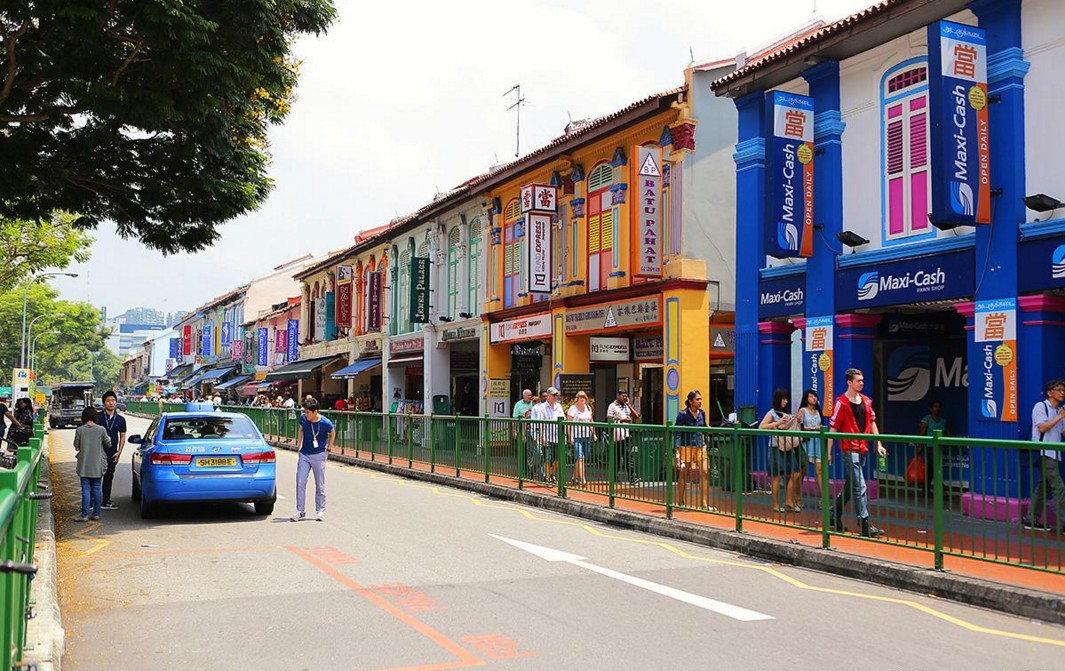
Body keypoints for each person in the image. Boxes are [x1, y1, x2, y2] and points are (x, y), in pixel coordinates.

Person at [828, 368, 888, 538]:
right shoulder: (841, 403)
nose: (862, 383)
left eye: (862, 380)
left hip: (862, 448)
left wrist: (878, 443)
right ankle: (864, 522)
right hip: (849, 449)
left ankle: (834, 512)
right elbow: (833, 428)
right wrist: (828, 451)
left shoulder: (866, 401)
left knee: (851, 485)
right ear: (849, 382)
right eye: (858, 380)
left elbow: (872, 422)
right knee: (860, 485)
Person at [1023, 380, 1065, 532]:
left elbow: (1062, 432)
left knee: (1043, 487)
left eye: (1063, 390)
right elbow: (1042, 427)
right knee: (1059, 488)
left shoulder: (1059, 411)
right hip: (1044, 452)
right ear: (1049, 392)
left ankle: (1031, 520)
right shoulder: (1041, 407)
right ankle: (1064, 523)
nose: (1062, 393)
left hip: (1055, 454)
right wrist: (1060, 416)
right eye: (1059, 389)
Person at [291, 398, 334, 522]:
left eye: (308, 412)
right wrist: (298, 446)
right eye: (305, 411)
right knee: (300, 482)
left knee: (320, 484)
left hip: (319, 455)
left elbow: (332, 433)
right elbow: (301, 429)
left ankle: (320, 510)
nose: (306, 414)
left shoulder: (325, 422)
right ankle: (300, 510)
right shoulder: (303, 419)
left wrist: (328, 449)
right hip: (304, 454)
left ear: (315, 412)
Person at [759, 388, 802, 513]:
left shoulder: (786, 413)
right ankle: (775, 504)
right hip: (775, 446)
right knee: (777, 476)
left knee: (796, 472)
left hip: (787, 446)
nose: (785, 401)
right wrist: (777, 423)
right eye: (783, 399)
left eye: (787, 399)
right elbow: (761, 426)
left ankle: (788, 501)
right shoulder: (771, 413)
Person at [674, 390, 712, 510]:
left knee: (704, 472)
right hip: (687, 446)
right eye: (697, 399)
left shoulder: (702, 413)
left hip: (700, 445)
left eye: (701, 399)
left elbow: (705, 427)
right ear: (691, 401)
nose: (700, 401)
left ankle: (704, 504)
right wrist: (677, 451)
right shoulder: (683, 414)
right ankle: (681, 501)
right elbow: (677, 432)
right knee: (684, 472)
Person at [74, 406, 111, 522]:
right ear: (95, 416)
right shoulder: (101, 429)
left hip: (84, 465)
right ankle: (96, 514)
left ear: (83, 417)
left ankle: (84, 515)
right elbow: (108, 444)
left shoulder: (80, 430)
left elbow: (76, 446)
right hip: (97, 464)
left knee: (86, 490)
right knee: (97, 488)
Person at [98, 391, 127, 510]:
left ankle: (105, 500)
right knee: (96, 476)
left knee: (109, 476)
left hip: (112, 452)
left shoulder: (120, 419)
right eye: (108, 401)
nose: (111, 403)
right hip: (98, 451)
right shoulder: (98, 417)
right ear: (104, 403)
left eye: (113, 400)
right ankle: (93, 501)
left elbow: (122, 437)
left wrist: (119, 452)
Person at [915, 399, 953, 491]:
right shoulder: (926, 419)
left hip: (938, 448)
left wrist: (957, 441)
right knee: (936, 468)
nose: (937, 409)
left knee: (931, 470)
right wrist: (919, 446)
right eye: (935, 407)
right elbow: (922, 433)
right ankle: (942, 490)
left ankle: (925, 491)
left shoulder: (942, 421)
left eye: (939, 407)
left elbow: (948, 433)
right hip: (929, 447)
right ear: (931, 409)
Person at [531, 386, 565, 485]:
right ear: (549, 396)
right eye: (554, 395)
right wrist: (542, 438)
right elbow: (540, 424)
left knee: (557, 459)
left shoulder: (559, 406)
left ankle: (551, 474)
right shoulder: (542, 408)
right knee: (548, 459)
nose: (555, 397)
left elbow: (563, 420)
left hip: (557, 437)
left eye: (556, 395)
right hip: (547, 437)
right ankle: (548, 479)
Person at [797, 389, 826, 503]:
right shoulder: (802, 410)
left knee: (820, 471)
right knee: (802, 472)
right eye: (811, 396)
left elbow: (821, 425)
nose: (814, 398)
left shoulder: (818, 411)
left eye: (815, 396)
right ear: (806, 399)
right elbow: (799, 427)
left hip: (817, 444)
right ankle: (797, 497)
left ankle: (823, 500)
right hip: (806, 443)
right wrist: (814, 428)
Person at [607, 391, 641, 484]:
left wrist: (629, 405)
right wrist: (622, 420)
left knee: (628, 457)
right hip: (616, 436)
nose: (625, 398)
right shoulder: (612, 406)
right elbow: (609, 419)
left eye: (626, 396)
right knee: (616, 458)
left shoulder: (626, 406)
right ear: (618, 396)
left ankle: (633, 477)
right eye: (623, 396)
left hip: (626, 435)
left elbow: (636, 416)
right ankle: (614, 478)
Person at [566, 391, 595, 487]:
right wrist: (570, 436)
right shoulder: (573, 408)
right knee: (580, 457)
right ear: (577, 399)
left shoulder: (588, 408)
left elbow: (591, 421)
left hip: (586, 435)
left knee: (583, 458)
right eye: (580, 397)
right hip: (577, 436)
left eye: (584, 397)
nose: (582, 399)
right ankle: (583, 479)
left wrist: (594, 433)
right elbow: (568, 423)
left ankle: (574, 477)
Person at [512, 389, 539, 479]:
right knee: (523, 451)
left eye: (531, 395)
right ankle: (524, 470)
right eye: (528, 395)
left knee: (532, 452)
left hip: (532, 431)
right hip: (522, 431)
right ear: (524, 395)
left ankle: (532, 470)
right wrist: (514, 430)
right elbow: (515, 418)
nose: (530, 397)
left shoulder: (533, 404)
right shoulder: (518, 404)